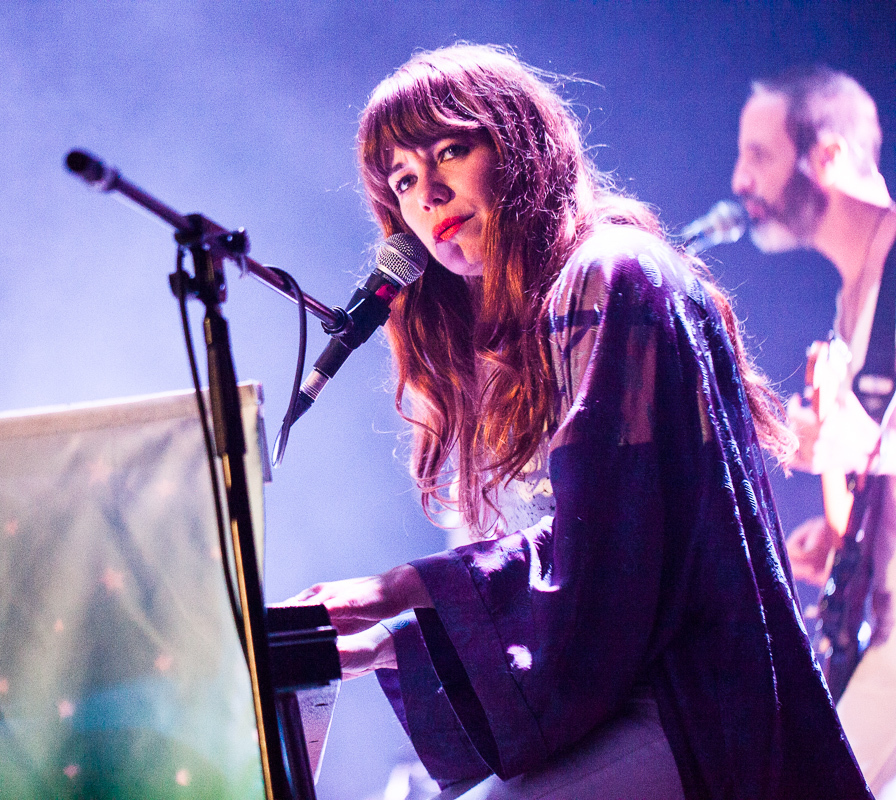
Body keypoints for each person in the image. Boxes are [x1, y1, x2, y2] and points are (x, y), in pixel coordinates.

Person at [290, 45, 870, 799]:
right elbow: (603, 537)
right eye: (402, 180)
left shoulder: (611, 273)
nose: (428, 193)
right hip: (652, 695)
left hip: (692, 705)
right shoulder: (557, 304)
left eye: (451, 151)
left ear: (520, 144)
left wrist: (403, 595)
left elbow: (610, 551)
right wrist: (394, 633)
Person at [732, 65, 896, 796]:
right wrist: (839, 538)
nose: (739, 180)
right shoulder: (848, 308)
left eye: (758, 156)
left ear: (826, 156)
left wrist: (840, 442)